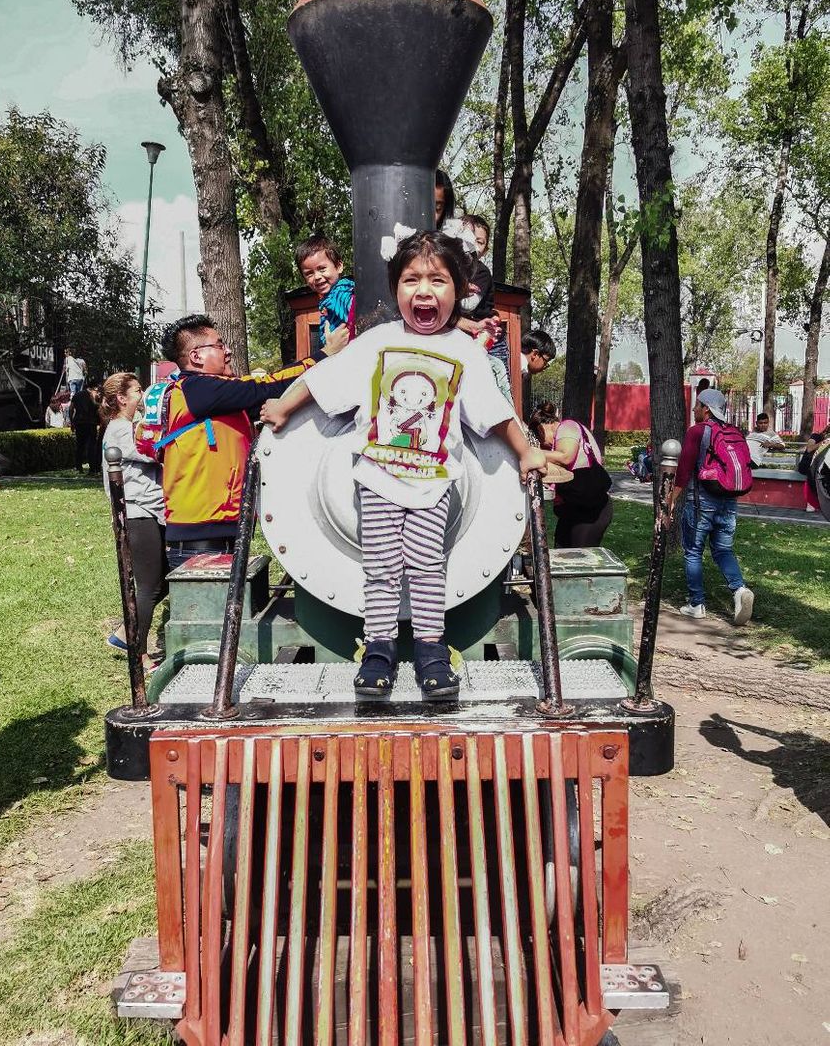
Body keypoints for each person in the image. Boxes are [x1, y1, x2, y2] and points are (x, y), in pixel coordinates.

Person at [260, 230, 554, 700]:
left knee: (425, 566)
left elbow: (494, 412)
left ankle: (430, 650)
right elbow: (323, 379)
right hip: (376, 478)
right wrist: (283, 407)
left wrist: (525, 450)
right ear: (396, 289)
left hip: (434, 483)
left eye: (437, 281)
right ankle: (377, 648)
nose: (423, 290)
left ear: (457, 293)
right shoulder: (375, 342)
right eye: (412, 279)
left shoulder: (465, 353)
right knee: (379, 566)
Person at [159, 313, 348, 570]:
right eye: (218, 345)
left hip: (223, 529)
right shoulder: (196, 389)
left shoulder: (217, 397)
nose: (227, 352)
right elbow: (268, 385)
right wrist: (324, 355)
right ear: (196, 356)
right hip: (199, 538)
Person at [667, 387, 754, 624]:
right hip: (729, 502)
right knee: (724, 550)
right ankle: (739, 590)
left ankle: (696, 604)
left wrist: (671, 501)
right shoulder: (733, 431)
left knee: (693, 551)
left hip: (701, 502)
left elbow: (684, 472)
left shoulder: (697, 432)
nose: (694, 409)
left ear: (706, 409)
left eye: (697, 405)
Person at [101, 373, 167, 670]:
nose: (143, 396)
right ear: (121, 399)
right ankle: (137, 654)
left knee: (164, 580)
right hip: (138, 513)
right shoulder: (119, 430)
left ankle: (123, 634)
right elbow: (153, 452)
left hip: (149, 511)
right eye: (139, 390)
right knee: (150, 586)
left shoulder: (127, 427)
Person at [530, 402, 614, 548]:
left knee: (578, 561)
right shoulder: (556, 443)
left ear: (543, 425)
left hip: (590, 511)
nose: (543, 442)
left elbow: (566, 456)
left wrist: (530, 452)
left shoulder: (566, 427)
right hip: (573, 510)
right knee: (561, 559)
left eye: (539, 435)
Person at [296, 235, 356, 346]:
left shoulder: (341, 293)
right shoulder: (328, 298)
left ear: (338, 266)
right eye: (309, 273)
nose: (317, 276)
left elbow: (359, 317)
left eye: (322, 269)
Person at [69, 377, 101, 475]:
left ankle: (78, 467)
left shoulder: (77, 395)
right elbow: (98, 408)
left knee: (80, 446)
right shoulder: (94, 396)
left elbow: (71, 409)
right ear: (94, 387)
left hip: (79, 422)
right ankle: (92, 468)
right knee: (91, 446)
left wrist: (72, 421)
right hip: (91, 423)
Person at [797, 424, 830, 512]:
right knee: (815, 477)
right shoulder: (816, 436)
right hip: (809, 465)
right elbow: (809, 449)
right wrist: (824, 442)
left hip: (822, 466)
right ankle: (812, 503)